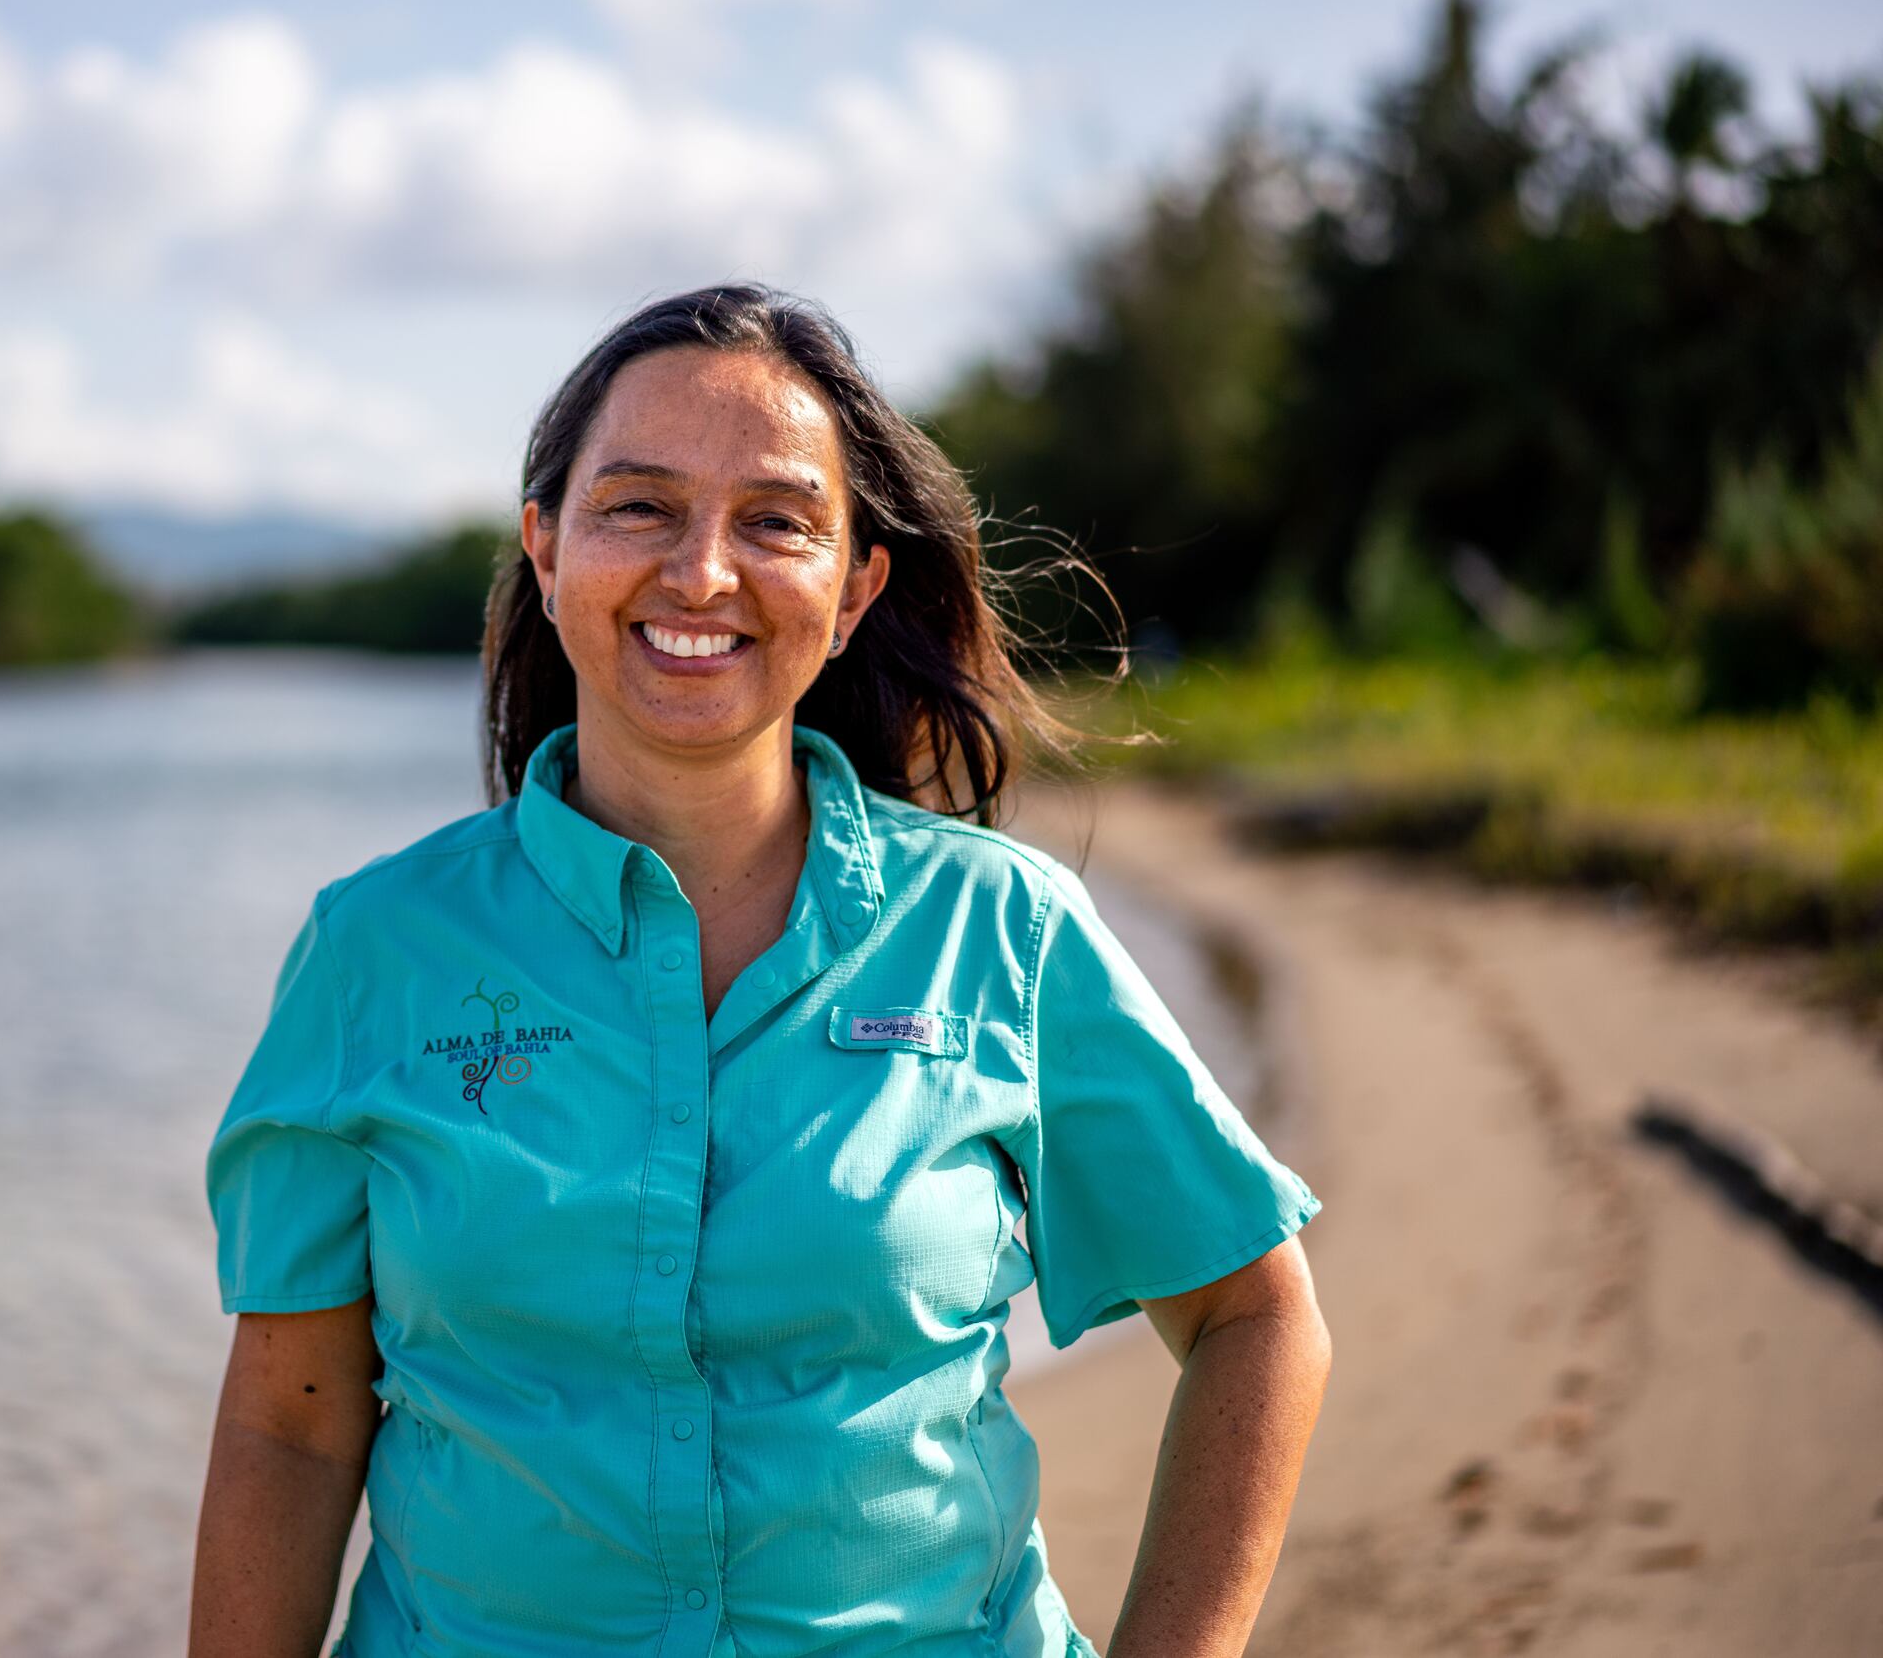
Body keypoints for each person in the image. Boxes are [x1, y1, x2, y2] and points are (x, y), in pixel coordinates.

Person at [192, 282, 1331, 1658]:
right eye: (640, 507)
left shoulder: (1001, 934)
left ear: (854, 590)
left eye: (775, 522)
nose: (702, 573)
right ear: (546, 552)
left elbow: (1256, 1318)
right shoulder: (374, 953)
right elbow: (291, 1423)